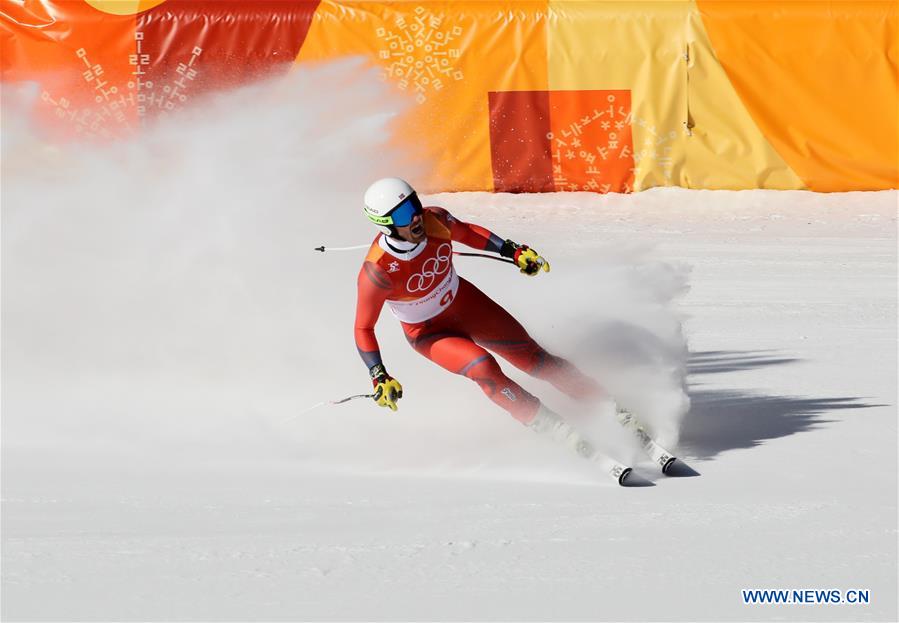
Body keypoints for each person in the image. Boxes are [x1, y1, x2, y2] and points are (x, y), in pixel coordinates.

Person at [353, 177, 626, 469]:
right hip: (429, 333)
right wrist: (379, 376)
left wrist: (513, 251)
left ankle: (605, 403)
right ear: (386, 224)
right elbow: (363, 328)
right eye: (404, 215)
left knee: (533, 357)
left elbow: (468, 233)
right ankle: (552, 427)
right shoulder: (377, 272)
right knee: (482, 366)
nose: (416, 216)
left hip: (465, 304)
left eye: (414, 204)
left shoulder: (435, 219)